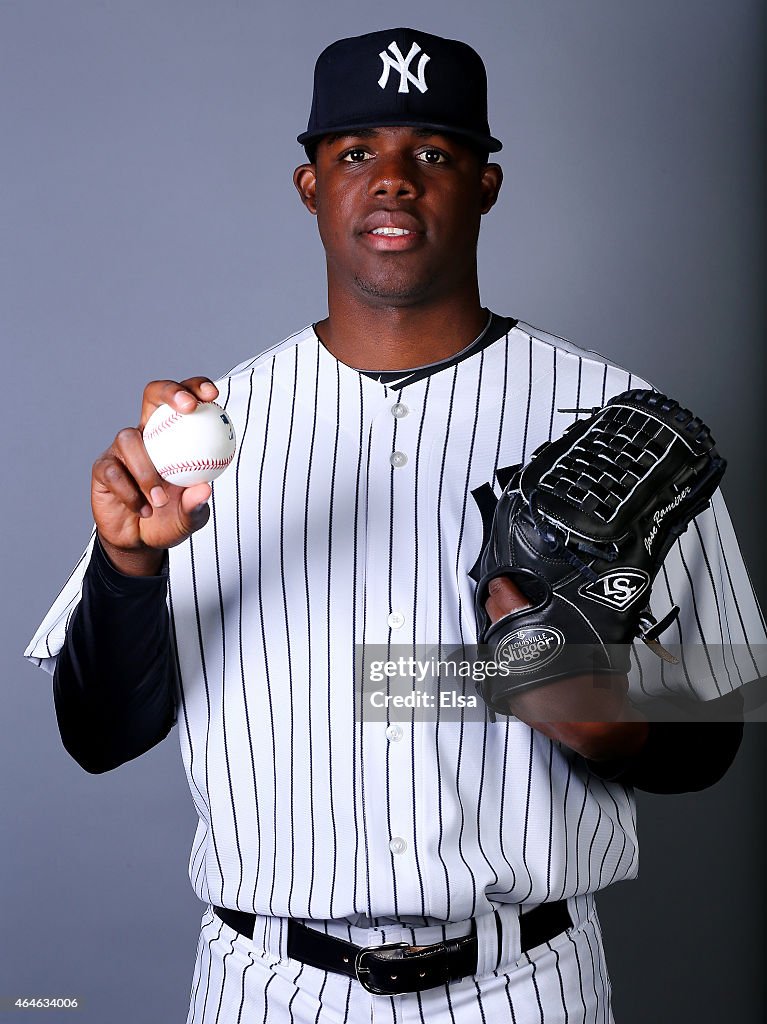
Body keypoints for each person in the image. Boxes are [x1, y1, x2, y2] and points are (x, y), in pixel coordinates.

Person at [25, 27, 766, 1024]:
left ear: (486, 183)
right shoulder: (200, 437)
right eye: (355, 153)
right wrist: (124, 565)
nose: (393, 180)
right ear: (307, 184)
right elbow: (100, 735)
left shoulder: (617, 416)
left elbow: (719, 710)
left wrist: (620, 722)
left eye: (432, 152)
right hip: (267, 987)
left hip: (527, 985)